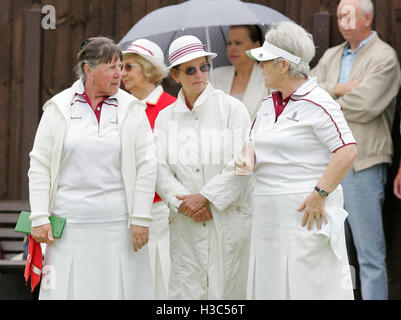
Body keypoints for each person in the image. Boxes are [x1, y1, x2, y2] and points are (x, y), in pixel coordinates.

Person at [28, 37, 156, 300]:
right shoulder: (58, 107)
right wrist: (39, 217)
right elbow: (39, 163)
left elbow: (147, 164)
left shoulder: (133, 108)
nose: (119, 74)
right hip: (68, 227)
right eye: (111, 68)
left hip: (120, 226)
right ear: (88, 70)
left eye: (121, 66)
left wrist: (141, 219)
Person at [242, 21, 357, 300]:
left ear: (283, 65)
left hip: (306, 218)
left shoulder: (320, 102)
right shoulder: (268, 104)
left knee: (310, 288)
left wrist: (320, 193)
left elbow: (347, 150)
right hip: (268, 219)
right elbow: (253, 143)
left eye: (264, 61)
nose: (259, 68)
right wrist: (246, 157)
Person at [311, 0, 401, 300]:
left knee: (369, 255)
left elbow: (366, 104)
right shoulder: (331, 54)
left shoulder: (384, 57)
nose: (342, 22)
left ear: (368, 18)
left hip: (363, 165)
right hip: (327, 165)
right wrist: (340, 88)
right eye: (339, 17)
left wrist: (327, 102)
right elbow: (307, 90)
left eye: (347, 16)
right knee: (332, 251)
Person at [154, 35, 253, 299]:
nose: (199, 74)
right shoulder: (164, 119)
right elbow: (158, 169)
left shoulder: (233, 109)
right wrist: (186, 204)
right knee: (187, 292)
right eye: (190, 69)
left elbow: (244, 163)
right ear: (175, 75)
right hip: (185, 225)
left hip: (227, 220)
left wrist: (207, 198)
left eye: (204, 67)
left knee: (228, 293)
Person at [122, 38, 176, 299]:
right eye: (121, 66)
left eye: (129, 67)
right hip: (126, 208)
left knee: (160, 278)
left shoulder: (170, 108)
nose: (122, 73)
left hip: (159, 211)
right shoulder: (122, 108)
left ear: (148, 68)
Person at [213, 25, 271, 121]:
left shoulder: (268, 78)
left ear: (256, 46)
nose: (232, 48)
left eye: (238, 43)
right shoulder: (214, 76)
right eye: (229, 43)